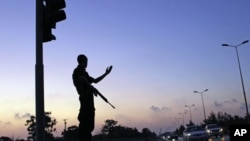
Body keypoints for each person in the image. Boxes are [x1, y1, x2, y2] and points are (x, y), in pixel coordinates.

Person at [72, 54, 112, 141]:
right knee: (84, 125)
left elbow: (95, 81)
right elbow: (82, 79)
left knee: (89, 127)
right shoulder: (77, 71)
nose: (87, 63)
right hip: (85, 100)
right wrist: (92, 88)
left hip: (89, 101)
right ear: (83, 61)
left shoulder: (85, 73)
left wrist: (106, 73)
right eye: (86, 61)